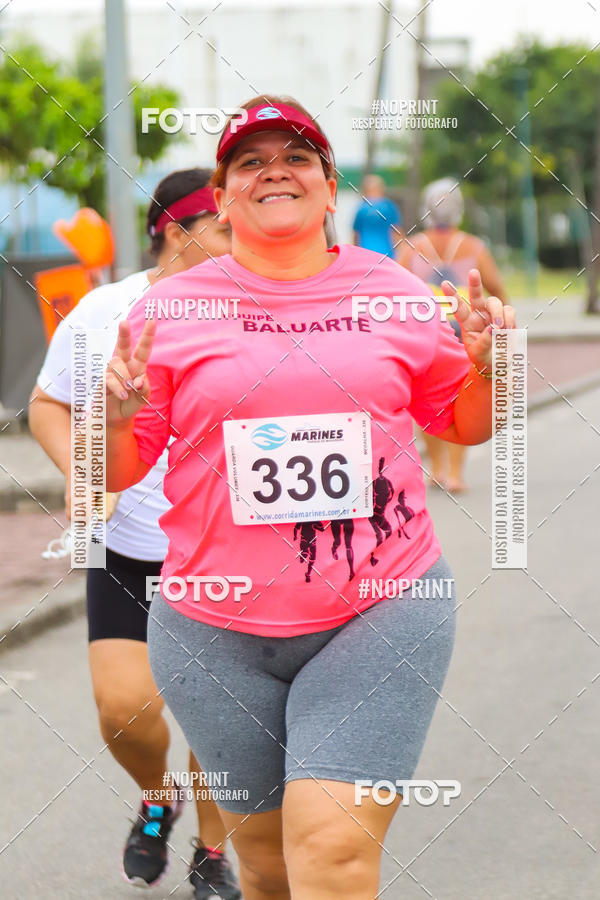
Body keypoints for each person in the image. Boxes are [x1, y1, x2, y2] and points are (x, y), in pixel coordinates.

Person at [104, 95, 516, 900]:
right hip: (212, 627)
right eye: (250, 162)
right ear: (222, 198)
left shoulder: (392, 291)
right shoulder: (169, 311)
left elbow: (464, 425)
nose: (274, 172)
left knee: (330, 852)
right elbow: (116, 471)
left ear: (331, 189)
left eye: (296, 158)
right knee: (264, 863)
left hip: (381, 606)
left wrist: (484, 366)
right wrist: (113, 417)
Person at [29, 169, 241, 899]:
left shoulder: (257, 309)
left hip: (223, 549)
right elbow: (48, 404)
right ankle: (158, 797)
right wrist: (84, 471)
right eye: (225, 228)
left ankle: (214, 853)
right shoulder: (102, 311)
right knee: (125, 710)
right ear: (177, 233)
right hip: (122, 540)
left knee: (218, 719)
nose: (243, 239)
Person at [398, 177, 508, 492]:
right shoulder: (474, 246)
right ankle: (457, 474)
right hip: (465, 330)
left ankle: (438, 469)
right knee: (462, 401)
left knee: (424, 402)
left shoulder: (412, 246)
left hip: (425, 331)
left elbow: (393, 289)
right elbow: (497, 287)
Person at [352, 174, 403, 258]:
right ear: (381, 189)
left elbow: (356, 235)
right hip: (386, 253)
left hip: (365, 253)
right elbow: (397, 232)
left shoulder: (361, 208)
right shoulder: (389, 206)